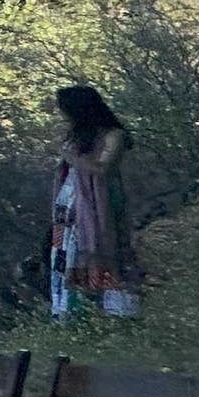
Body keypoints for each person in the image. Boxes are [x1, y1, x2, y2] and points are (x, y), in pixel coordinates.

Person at [50, 85, 141, 319]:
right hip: (68, 208)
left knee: (105, 250)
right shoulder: (77, 135)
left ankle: (115, 311)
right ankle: (70, 312)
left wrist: (72, 157)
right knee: (65, 256)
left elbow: (103, 169)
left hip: (98, 206)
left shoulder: (114, 135)